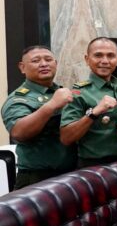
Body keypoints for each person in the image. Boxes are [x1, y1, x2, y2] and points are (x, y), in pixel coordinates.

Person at [1, 45, 77, 188]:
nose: (43, 64)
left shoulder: (62, 92)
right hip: (37, 177)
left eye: (48, 59)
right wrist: (51, 106)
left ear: (56, 64)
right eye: (36, 61)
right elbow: (19, 133)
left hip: (70, 173)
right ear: (22, 67)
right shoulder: (18, 99)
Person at [60, 37, 117, 167]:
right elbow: (66, 137)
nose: (104, 61)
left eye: (110, 56)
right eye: (98, 55)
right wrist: (94, 112)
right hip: (93, 167)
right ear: (87, 59)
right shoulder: (79, 93)